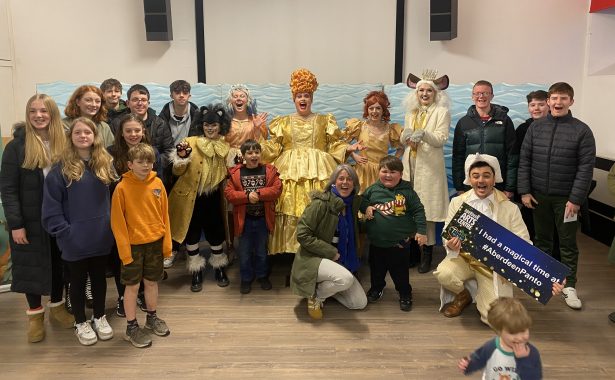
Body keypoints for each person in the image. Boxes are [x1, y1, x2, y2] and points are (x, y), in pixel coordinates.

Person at [434, 154, 564, 325]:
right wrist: (450, 243)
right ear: (469, 179)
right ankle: (463, 295)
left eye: (486, 175)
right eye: (476, 176)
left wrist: (549, 276)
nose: (481, 180)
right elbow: (447, 231)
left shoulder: (510, 208)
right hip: (463, 259)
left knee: (493, 320)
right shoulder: (457, 202)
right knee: (444, 273)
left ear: (494, 179)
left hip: (493, 268)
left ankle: (483, 296)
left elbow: (524, 244)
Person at [261, 68, 362, 255]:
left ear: (312, 98)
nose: (303, 99)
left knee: (321, 207)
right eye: (299, 95)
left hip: (320, 169)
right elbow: (274, 147)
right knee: (288, 206)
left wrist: (347, 148)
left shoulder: (324, 120)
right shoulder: (282, 122)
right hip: (289, 170)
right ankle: (291, 249)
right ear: (294, 98)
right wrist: (256, 141)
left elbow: (334, 144)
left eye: (306, 95)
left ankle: (322, 247)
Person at [0, 94, 74, 343]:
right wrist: (16, 224)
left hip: (59, 218)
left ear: (52, 114)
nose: (38, 115)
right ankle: (35, 317)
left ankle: (57, 308)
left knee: (58, 264)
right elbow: (8, 189)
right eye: (33, 111)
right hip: (29, 221)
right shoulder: (16, 146)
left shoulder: (64, 143)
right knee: (30, 268)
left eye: (43, 111)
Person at [518, 82, 596, 310]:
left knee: (567, 243)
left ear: (571, 101)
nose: (558, 103)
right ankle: (543, 279)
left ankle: (569, 285)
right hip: (538, 196)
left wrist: (576, 199)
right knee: (542, 240)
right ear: (549, 101)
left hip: (567, 200)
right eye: (554, 98)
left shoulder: (582, 130)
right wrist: (525, 191)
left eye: (563, 98)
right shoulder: (536, 127)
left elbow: (585, 168)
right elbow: (525, 160)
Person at [42, 117, 117, 346]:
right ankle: (80, 321)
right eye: (78, 133)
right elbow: (51, 208)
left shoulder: (105, 164)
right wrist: (66, 232)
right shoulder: (59, 170)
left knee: (99, 280)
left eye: (88, 132)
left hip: (101, 236)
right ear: (71, 137)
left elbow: (115, 199)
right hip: (74, 240)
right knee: (76, 281)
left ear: (95, 136)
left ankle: (99, 316)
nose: (83, 136)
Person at [111, 143, 172, 348]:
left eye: (149, 161)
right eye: (140, 161)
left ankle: (152, 318)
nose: (145, 165)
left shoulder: (158, 184)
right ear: (130, 164)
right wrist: (124, 251)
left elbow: (165, 216)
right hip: (133, 246)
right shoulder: (121, 188)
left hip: (155, 243)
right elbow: (117, 223)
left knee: (152, 283)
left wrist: (166, 244)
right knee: (132, 286)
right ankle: (131, 327)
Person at [290, 164, 367, 319]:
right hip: (315, 258)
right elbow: (303, 234)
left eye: (349, 179)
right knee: (345, 279)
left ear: (355, 184)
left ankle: (326, 286)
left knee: (358, 303)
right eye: (341, 178)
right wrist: (330, 252)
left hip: (340, 261)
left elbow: (359, 226)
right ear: (334, 182)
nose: (345, 182)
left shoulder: (352, 204)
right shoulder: (320, 203)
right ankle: (316, 296)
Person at [168, 104, 231, 291]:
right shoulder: (189, 141)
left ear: (221, 126)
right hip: (189, 198)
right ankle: (195, 270)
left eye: (214, 125)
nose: (210, 128)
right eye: (206, 125)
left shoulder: (225, 146)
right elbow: (176, 170)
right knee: (192, 232)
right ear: (201, 125)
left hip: (213, 197)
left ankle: (219, 267)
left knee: (216, 232)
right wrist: (180, 158)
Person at [360, 156, 427, 312]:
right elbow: (362, 201)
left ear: (401, 174)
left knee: (400, 272)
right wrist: (367, 207)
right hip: (376, 242)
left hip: (399, 243)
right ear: (378, 172)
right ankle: (376, 288)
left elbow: (418, 211)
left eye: (393, 172)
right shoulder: (373, 189)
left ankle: (405, 293)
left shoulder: (408, 192)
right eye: (384, 171)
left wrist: (422, 231)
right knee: (376, 270)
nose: (388, 175)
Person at [401, 71, 451, 273]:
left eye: (428, 90)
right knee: (410, 209)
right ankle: (413, 250)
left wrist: (425, 134)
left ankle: (427, 254)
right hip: (410, 165)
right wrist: (406, 136)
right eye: (421, 90)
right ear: (416, 92)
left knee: (427, 211)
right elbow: (406, 136)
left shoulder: (441, 112)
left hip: (429, 168)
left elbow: (441, 138)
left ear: (435, 93)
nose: (424, 93)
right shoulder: (411, 112)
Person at [107, 113, 157, 317]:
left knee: (144, 260)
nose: (133, 134)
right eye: (128, 130)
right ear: (121, 133)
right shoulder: (110, 154)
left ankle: (143, 295)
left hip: (144, 216)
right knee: (122, 257)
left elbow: (155, 183)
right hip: (120, 213)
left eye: (137, 130)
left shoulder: (151, 152)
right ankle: (123, 296)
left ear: (143, 131)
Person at [225, 139, 282, 294]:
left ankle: (263, 275)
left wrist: (259, 194)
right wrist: (246, 196)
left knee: (261, 251)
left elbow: (277, 189)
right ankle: (246, 278)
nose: (254, 155)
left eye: (256, 152)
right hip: (244, 221)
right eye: (249, 153)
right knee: (244, 252)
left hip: (263, 220)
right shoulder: (236, 173)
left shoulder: (269, 171)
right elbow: (229, 194)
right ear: (243, 155)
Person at [452, 80, 517, 196]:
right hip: (471, 184)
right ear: (472, 96)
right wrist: (459, 186)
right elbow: (458, 157)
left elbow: (513, 156)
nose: (481, 96)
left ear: (492, 96)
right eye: (477, 93)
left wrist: (510, 187)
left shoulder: (505, 121)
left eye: (485, 93)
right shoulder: (463, 123)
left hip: (499, 184)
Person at [458, 297, 542, 379]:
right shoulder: (490, 347)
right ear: (499, 331)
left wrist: (524, 359)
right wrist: (468, 365)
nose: (520, 337)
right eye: (513, 332)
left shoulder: (532, 353)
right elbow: (478, 359)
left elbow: (534, 377)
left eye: (523, 330)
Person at [342, 90, 403, 194]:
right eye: (371, 108)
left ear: (383, 110)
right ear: (367, 110)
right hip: (363, 171)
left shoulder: (390, 129)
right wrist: (354, 156)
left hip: (381, 172)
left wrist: (392, 163)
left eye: (378, 108)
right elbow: (343, 144)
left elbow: (401, 148)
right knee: (361, 200)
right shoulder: (359, 126)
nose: (374, 111)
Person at [110, 84, 174, 179]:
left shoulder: (160, 123)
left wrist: (149, 161)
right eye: (135, 100)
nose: (140, 103)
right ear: (128, 103)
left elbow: (169, 151)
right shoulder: (117, 123)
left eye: (143, 100)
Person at [514, 90, 550, 242]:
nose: (536, 108)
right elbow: (518, 161)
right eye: (532, 105)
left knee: (548, 232)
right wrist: (523, 190)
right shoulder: (523, 129)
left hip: (549, 188)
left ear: (548, 105)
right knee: (528, 228)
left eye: (541, 104)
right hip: (528, 187)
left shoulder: (558, 128)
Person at [224, 84, 268, 167]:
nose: (239, 99)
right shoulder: (225, 122)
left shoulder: (255, 121)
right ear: (230, 101)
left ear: (248, 100)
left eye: (242, 96)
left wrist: (257, 128)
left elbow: (260, 145)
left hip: (249, 161)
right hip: (228, 161)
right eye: (235, 96)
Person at [158, 79, 201, 146]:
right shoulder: (162, 117)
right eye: (177, 93)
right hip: (170, 153)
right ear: (171, 96)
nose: (181, 95)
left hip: (192, 152)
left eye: (185, 93)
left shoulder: (197, 115)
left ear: (189, 96)